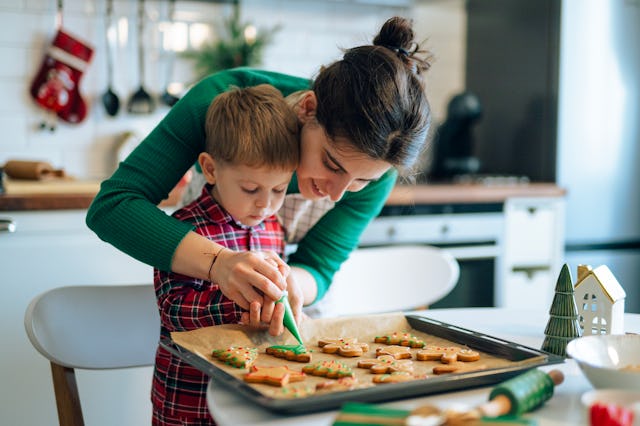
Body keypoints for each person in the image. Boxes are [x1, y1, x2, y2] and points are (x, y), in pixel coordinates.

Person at [86, 16, 433, 336]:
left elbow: (319, 265)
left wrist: (286, 285)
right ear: (308, 108)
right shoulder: (221, 103)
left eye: (361, 181)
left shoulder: (380, 163)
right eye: (332, 164)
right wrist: (219, 264)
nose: (338, 194)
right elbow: (113, 207)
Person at [152, 84, 299, 424]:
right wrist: (242, 302)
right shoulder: (184, 230)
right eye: (251, 189)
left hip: (250, 396)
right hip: (190, 399)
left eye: (279, 189)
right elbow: (173, 312)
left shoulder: (272, 226)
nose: (265, 204)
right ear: (211, 168)